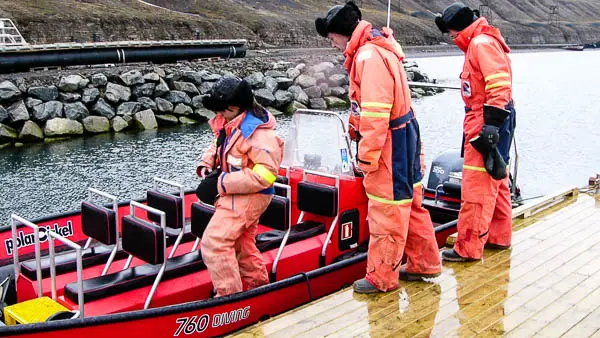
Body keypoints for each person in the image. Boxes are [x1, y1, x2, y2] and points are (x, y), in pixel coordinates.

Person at [315, 1, 441, 294]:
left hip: (389, 145)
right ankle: (425, 263)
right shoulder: (381, 47)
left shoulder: (368, 57)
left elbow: (374, 115)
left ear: (341, 33)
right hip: (405, 136)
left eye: (332, 38)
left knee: (387, 210)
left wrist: (366, 157)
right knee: (411, 205)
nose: (332, 44)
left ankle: (382, 278)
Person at [434, 2, 517, 262]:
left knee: (477, 187)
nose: (451, 38)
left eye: (451, 33)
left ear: (458, 28)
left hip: (486, 118)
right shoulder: (483, 41)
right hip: (491, 115)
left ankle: (468, 248)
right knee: (497, 178)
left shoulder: (480, 44)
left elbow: (498, 83)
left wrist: (491, 125)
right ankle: (498, 236)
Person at [196, 77, 284, 297]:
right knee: (242, 245)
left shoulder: (260, 135)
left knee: (215, 243)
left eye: (221, 111)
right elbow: (220, 145)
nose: (218, 116)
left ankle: (228, 300)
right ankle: (259, 290)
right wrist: (207, 163)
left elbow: (265, 176)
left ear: (233, 108)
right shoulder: (233, 124)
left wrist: (221, 183)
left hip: (251, 196)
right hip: (235, 192)